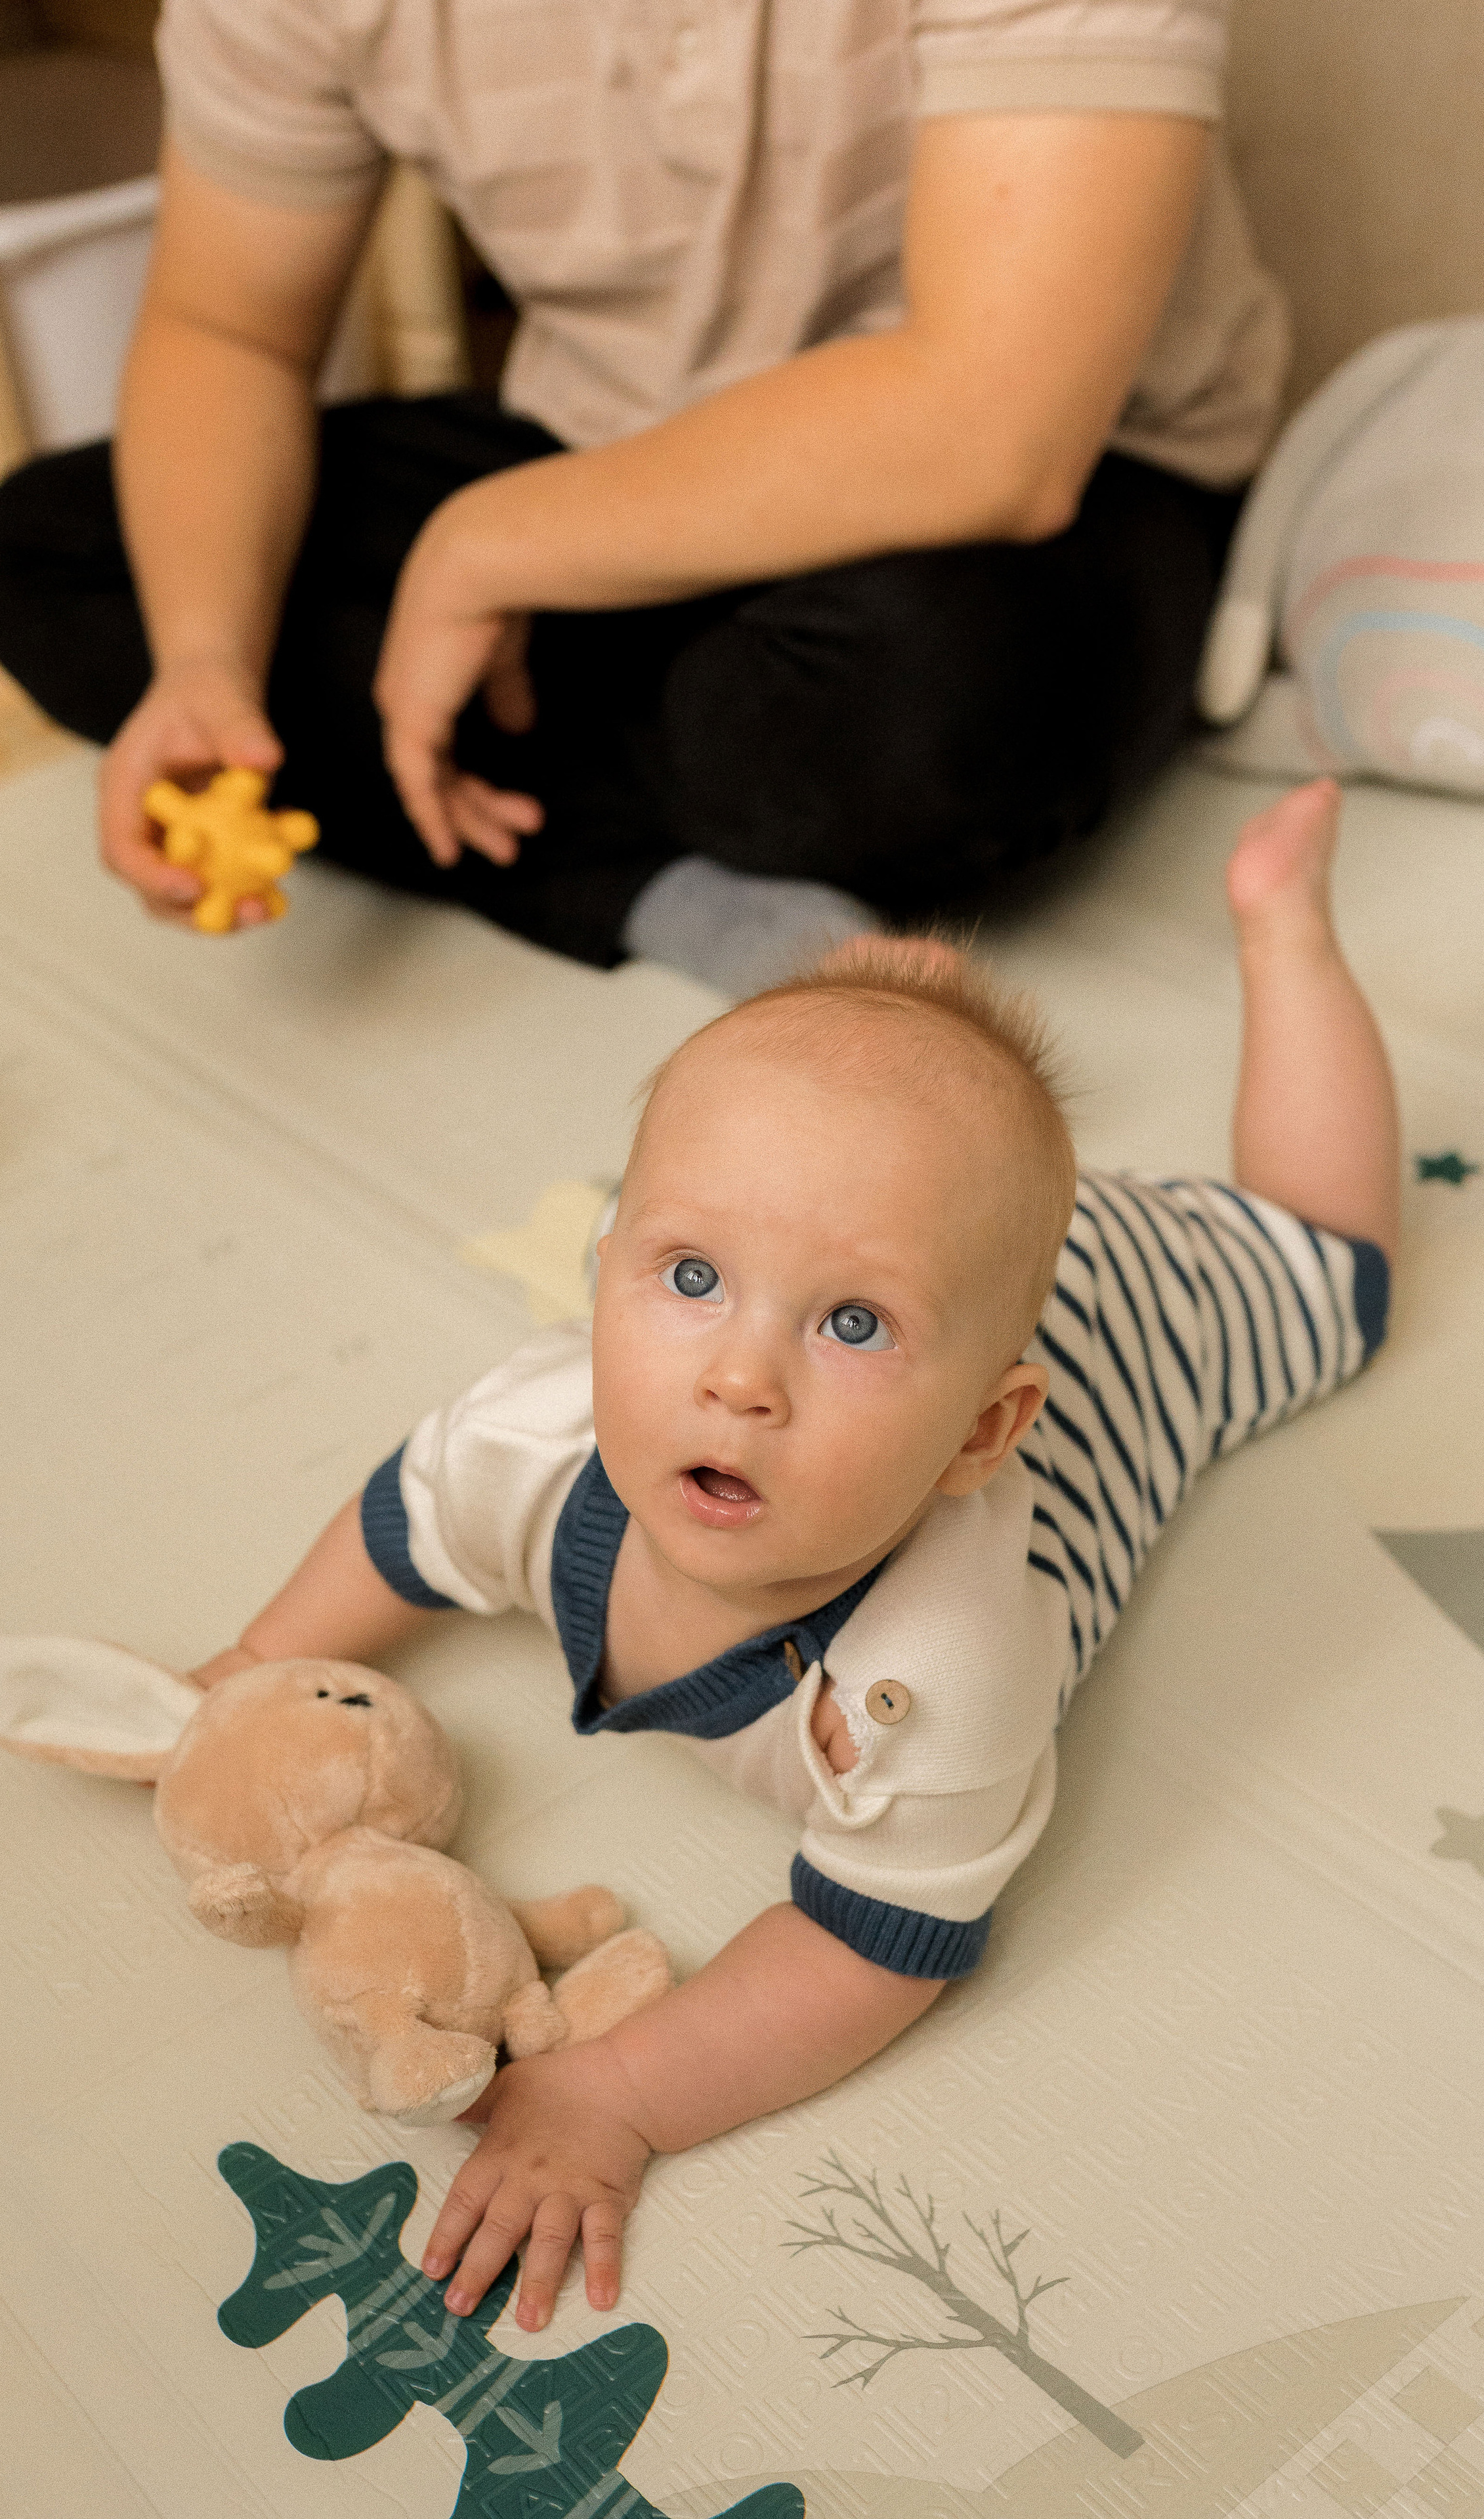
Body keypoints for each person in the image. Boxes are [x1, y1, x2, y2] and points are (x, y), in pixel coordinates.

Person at [182, 776, 1399, 2328]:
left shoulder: (934, 1681)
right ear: (603, 1268)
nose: (737, 1375)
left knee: (1340, 1265)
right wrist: (254, 1661)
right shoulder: (548, 1429)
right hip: (911, 1204)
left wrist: (619, 2089)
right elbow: (404, 1521)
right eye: (688, 1273)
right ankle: (905, 1052)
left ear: (978, 1433)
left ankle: (1281, 932)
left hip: (1149, 1297)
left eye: (846, 1325)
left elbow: (868, 1948)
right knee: (864, 1142)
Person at [0, 0, 1288, 991]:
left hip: (1051, 489)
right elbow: (224, 331)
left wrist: (482, 550)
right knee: (51, 555)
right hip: (607, 451)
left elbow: (996, 429)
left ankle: (634, 755)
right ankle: (659, 877)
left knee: (920, 696)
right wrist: (208, 658)